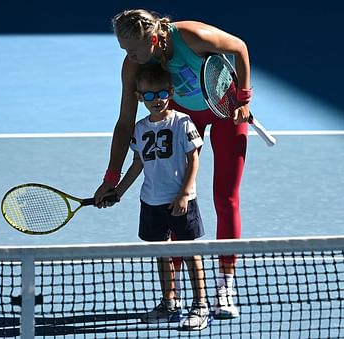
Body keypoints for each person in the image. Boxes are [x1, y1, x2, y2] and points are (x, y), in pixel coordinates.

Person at [95, 8, 252, 319]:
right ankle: (173, 295)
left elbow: (240, 47)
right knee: (170, 199)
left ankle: (225, 286)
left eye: (135, 49)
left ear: (154, 39)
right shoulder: (133, 67)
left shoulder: (193, 36)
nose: (131, 56)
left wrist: (244, 100)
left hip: (225, 110)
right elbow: (125, 124)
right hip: (184, 115)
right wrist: (111, 177)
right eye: (124, 49)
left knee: (226, 197)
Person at [108, 63, 209, 330]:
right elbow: (137, 164)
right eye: (149, 95)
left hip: (180, 199)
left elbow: (194, 160)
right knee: (161, 252)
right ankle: (170, 302)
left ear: (171, 92)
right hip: (151, 201)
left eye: (161, 93)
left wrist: (185, 192)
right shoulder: (140, 129)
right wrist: (118, 191)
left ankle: (200, 305)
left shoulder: (182, 122)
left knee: (190, 252)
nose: (156, 100)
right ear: (140, 97)